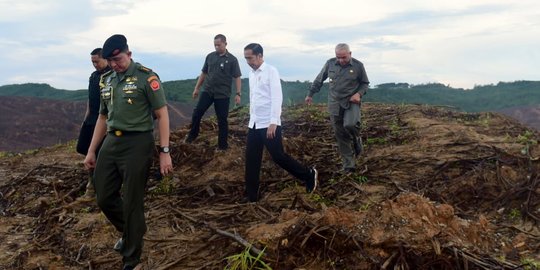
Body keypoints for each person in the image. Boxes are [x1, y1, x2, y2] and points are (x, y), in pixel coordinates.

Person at [83, 34, 173, 270]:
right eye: (111, 61)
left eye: (119, 59)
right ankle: (133, 229)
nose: (115, 64)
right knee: (103, 196)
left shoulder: (146, 77)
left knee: (133, 201)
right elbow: (102, 117)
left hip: (138, 143)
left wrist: (164, 151)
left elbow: (162, 115)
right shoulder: (107, 80)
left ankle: (131, 259)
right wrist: (92, 150)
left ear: (129, 54)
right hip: (112, 142)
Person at [243, 43, 318, 202]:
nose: (248, 61)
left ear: (260, 56)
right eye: (246, 58)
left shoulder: (271, 71)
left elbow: (277, 98)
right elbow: (254, 98)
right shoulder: (251, 74)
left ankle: (308, 174)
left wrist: (273, 122)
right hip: (255, 123)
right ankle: (252, 196)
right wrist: (252, 119)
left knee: (278, 156)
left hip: (269, 124)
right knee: (251, 159)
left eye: (250, 58)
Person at [306, 43, 369, 173]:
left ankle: (356, 139)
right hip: (334, 103)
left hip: (351, 101)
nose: (341, 60)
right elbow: (319, 79)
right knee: (340, 134)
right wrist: (310, 94)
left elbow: (364, 84)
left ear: (350, 54)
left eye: (344, 57)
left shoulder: (358, 66)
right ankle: (349, 165)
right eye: (338, 57)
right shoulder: (330, 63)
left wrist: (358, 94)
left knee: (350, 125)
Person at [184, 34, 242, 150]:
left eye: (219, 45)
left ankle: (222, 146)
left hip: (223, 94)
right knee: (197, 113)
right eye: (215, 45)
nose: (216, 47)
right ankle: (192, 135)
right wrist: (197, 88)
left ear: (225, 43)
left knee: (222, 120)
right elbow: (204, 73)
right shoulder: (210, 57)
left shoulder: (232, 59)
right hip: (208, 91)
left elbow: (237, 77)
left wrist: (238, 93)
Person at [76, 48, 110, 198]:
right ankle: (93, 176)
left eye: (97, 61)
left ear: (105, 59)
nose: (95, 64)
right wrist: (85, 119)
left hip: (107, 120)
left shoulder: (112, 75)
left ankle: (96, 184)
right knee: (83, 147)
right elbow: (91, 99)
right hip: (92, 118)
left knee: (100, 152)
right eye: (92, 62)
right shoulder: (94, 76)